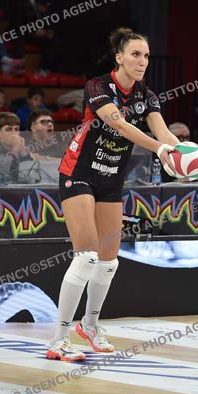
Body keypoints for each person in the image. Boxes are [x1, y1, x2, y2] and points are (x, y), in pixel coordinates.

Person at [47, 27, 177, 362]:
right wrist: (159, 148)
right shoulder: (98, 86)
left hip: (111, 179)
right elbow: (119, 124)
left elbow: (163, 132)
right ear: (119, 57)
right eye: (135, 54)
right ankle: (59, 339)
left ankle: (90, 325)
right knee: (86, 256)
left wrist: (184, 152)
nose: (142, 61)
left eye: (146, 55)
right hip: (79, 172)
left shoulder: (147, 95)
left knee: (108, 261)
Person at [20, 0, 56, 75]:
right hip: (24, 34)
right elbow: (19, 26)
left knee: (54, 41)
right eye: (44, 7)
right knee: (19, 38)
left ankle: (43, 68)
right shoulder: (25, 6)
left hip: (38, 36)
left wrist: (48, 32)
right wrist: (34, 32)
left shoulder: (45, 9)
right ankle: (20, 67)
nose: (45, 9)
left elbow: (49, 23)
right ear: (38, 4)